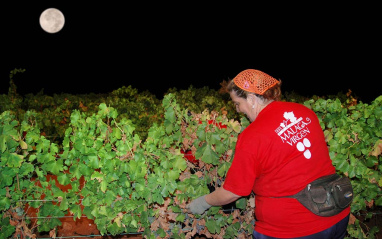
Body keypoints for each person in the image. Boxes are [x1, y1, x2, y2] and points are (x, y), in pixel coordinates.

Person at [186, 69, 350, 238]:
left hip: (295, 229)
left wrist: (204, 202)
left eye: (237, 103)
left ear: (251, 99)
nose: (238, 109)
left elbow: (233, 191)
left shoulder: (252, 136)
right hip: (337, 214)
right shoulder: (304, 112)